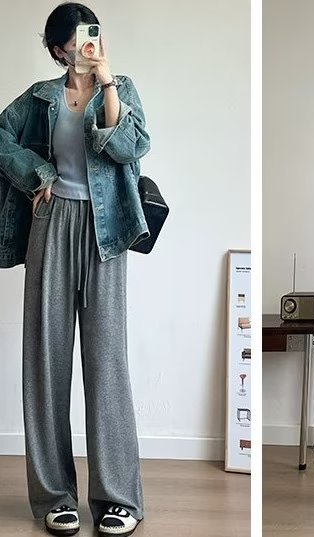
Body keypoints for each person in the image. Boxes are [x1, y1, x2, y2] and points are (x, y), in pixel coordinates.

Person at [0, 3, 150, 535]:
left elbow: (131, 147)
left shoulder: (121, 88)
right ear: (59, 49)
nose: (90, 43)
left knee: (107, 361)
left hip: (107, 231)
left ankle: (117, 498)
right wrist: (36, 172)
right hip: (52, 223)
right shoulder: (40, 97)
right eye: (78, 38)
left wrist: (106, 82)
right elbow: (0, 137)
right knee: (46, 359)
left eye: (95, 32)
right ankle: (54, 496)